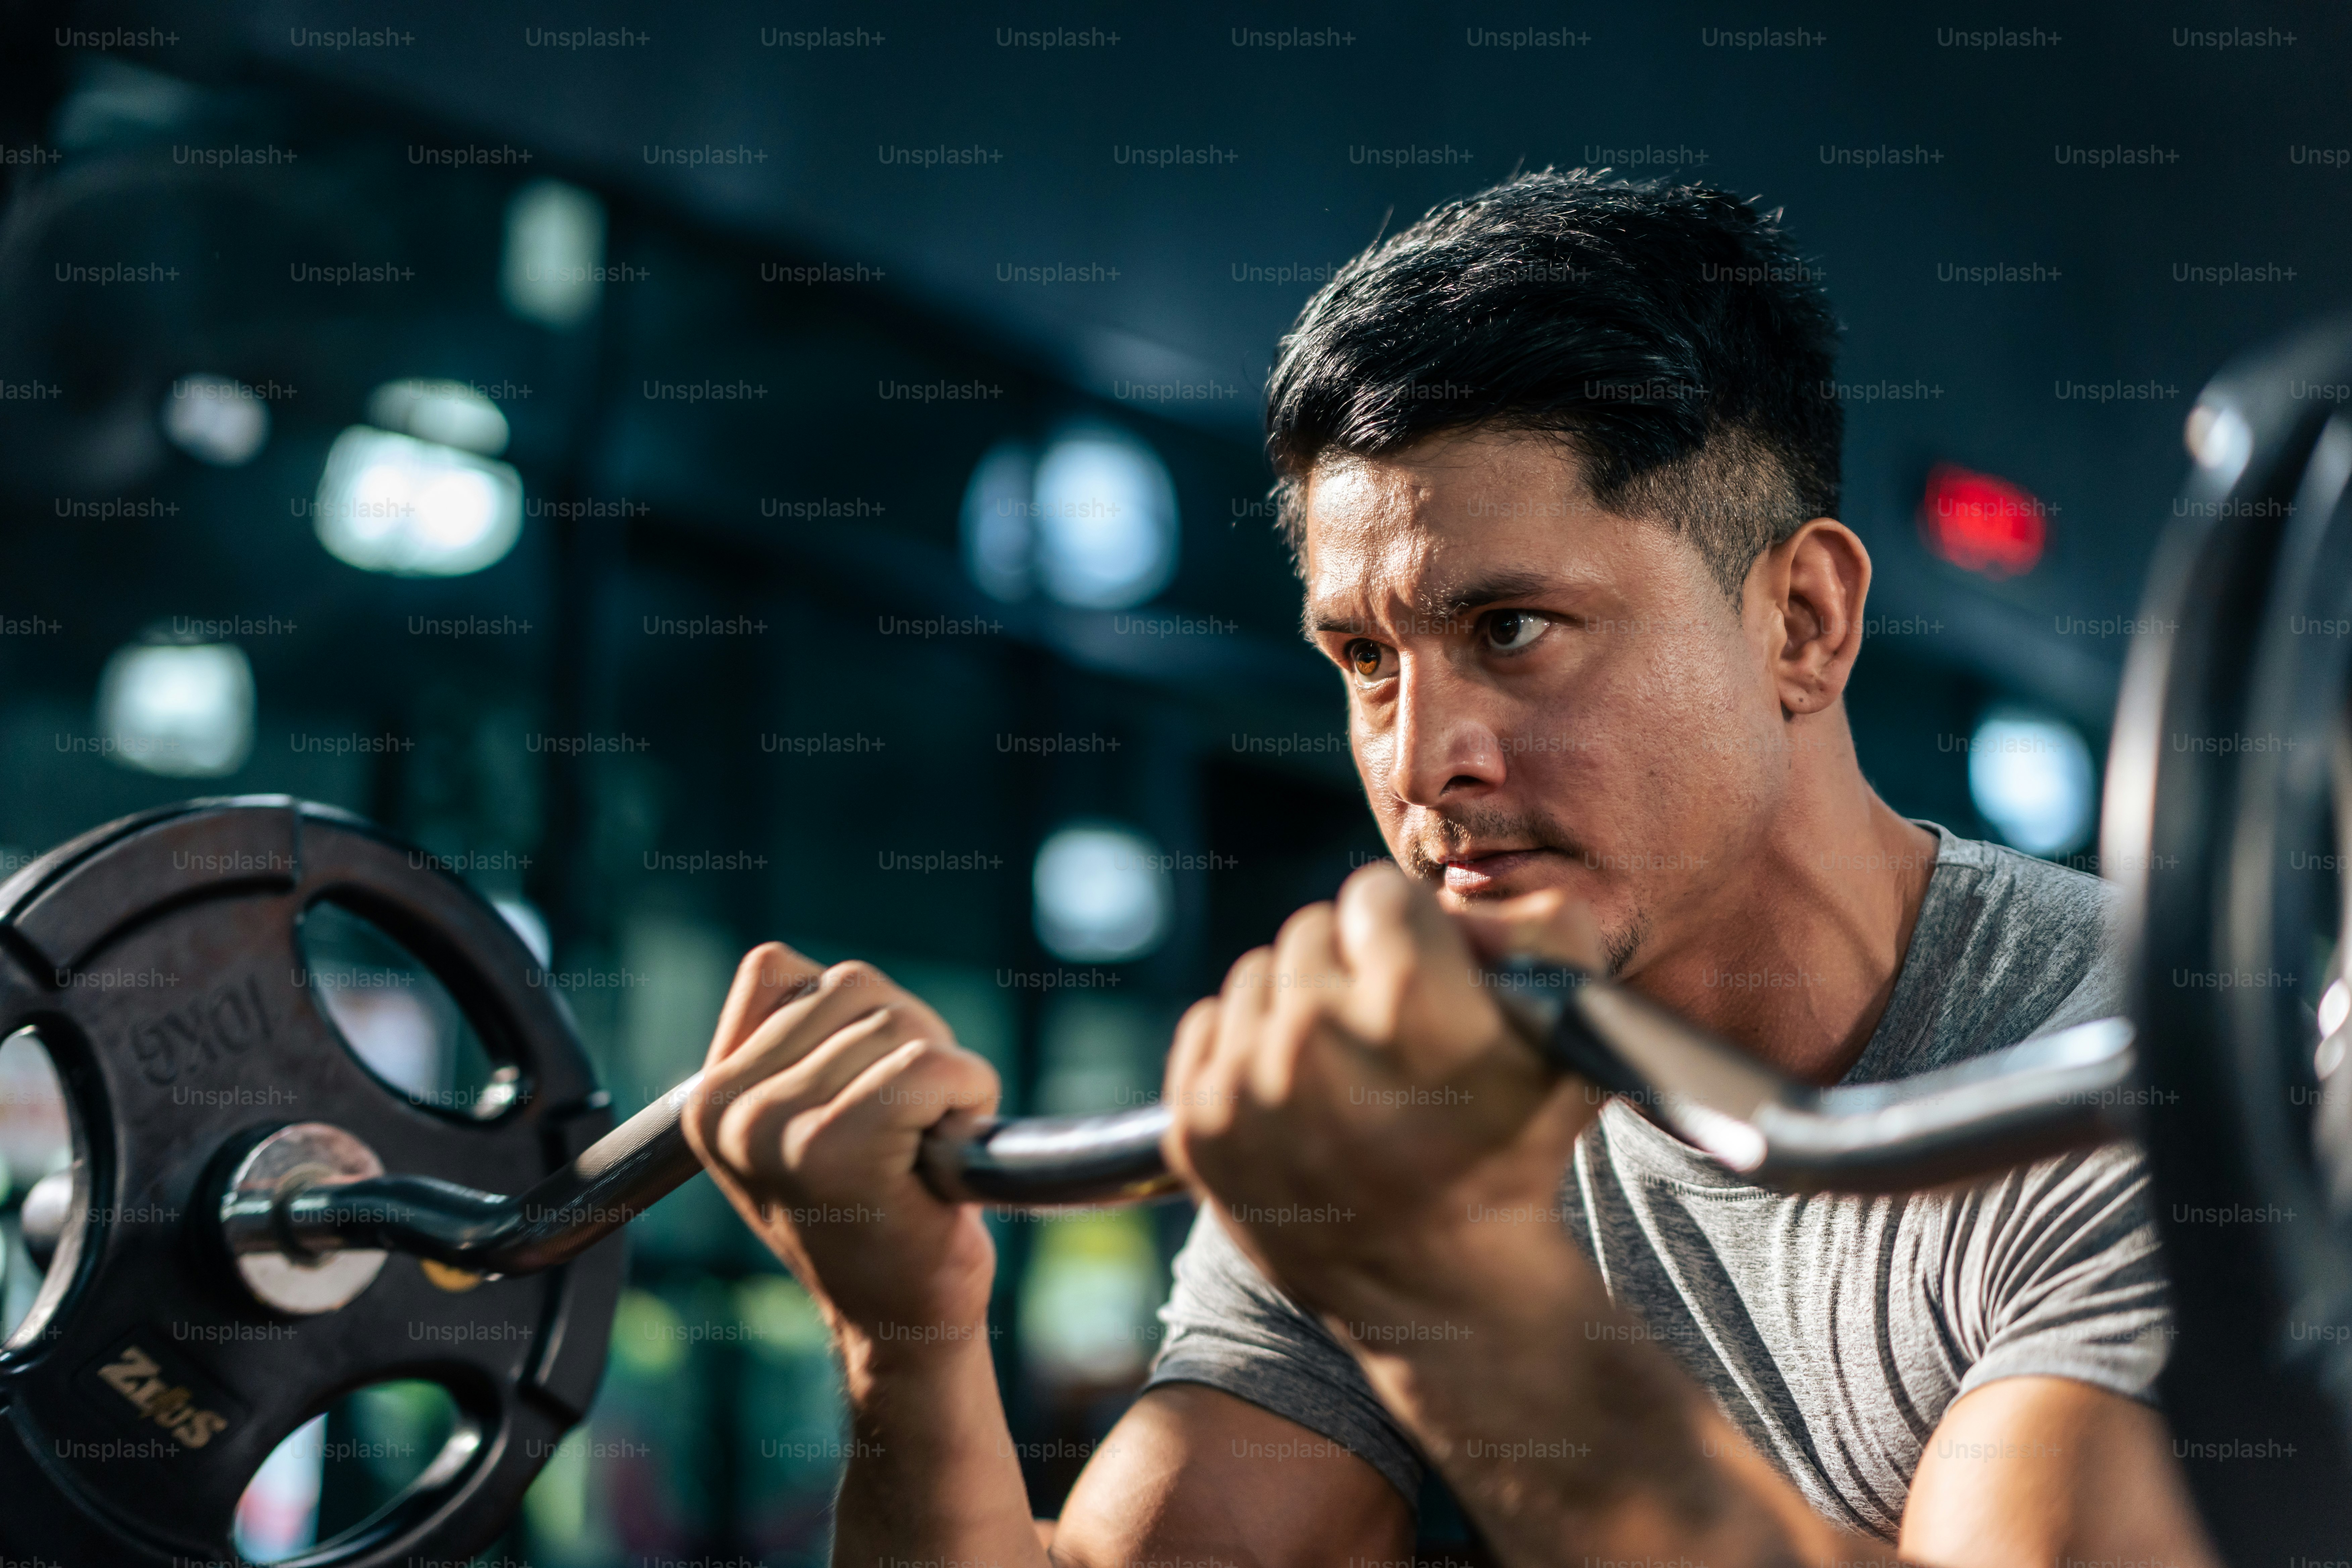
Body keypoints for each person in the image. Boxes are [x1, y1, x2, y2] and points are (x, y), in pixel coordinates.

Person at [681, 170, 2218, 1567]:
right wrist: (905, 1341)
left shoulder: (2144, 1068)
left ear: (1801, 623)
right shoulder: (1397, 1083)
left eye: (1512, 632)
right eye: (1364, 657)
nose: (1424, 766)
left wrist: (1445, 1288)